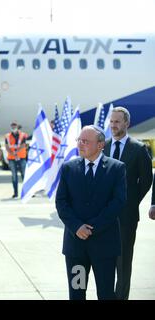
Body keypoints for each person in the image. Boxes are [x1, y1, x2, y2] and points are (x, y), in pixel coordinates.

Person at [56, 125, 127, 300]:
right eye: (79, 140)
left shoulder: (116, 168)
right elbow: (61, 203)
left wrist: (91, 227)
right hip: (76, 247)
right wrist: (77, 227)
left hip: (104, 246)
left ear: (101, 145)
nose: (80, 144)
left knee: (106, 294)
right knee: (77, 293)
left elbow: (118, 202)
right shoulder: (68, 168)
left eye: (86, 141)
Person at [102, 106, 153, 300]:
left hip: (126, 216)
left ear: (126, 123)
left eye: (117, 122)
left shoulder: (138, 149)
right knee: (105, 261)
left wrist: (130, 202)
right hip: (103, 217)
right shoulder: (103, 146)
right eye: (111, 121)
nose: (113, 125)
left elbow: (146, 180)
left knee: (123, 264)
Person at [5, 121, 27, 198]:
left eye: (15, 126)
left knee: (24, 175)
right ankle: (15, 193)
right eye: (12, 126)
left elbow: (23, 145)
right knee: (14, 176)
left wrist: (16, 152)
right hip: (12, 158)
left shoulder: (23, 135)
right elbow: (7, 147)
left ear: (17, 127)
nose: (13, 127)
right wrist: (12, 153)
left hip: (21, 158)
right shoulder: (7, 136)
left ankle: (26, 192)